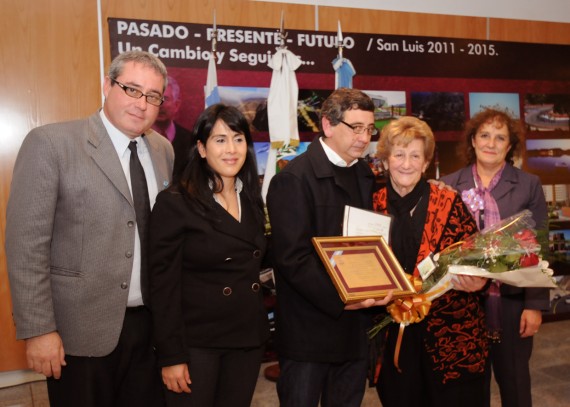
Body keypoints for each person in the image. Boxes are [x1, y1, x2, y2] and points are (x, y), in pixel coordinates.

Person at [5, 50, 174, 406]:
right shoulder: (52, 144)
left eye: (153, 96)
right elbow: (26, 245)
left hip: (149, 328)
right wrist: (39, 330)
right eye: (131, 89)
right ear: (106, 85)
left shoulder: (163, 150)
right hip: (79, 333)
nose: (142, 104)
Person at [266, 88, 393, 407]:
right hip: (309, 334)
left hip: (353, 330)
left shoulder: (364, 173)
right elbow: (292, 259)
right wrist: (342, 297)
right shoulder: (293, 178)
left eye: (369, 129)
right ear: (327, 125)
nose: (365, 139)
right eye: (356, 128)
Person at [148, 104, 269, 407]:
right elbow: (162, 287)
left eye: (238, 139)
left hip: (247, 339)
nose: (231, 149)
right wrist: (171, 355)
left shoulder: (252, 198)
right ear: (201, 149)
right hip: (197, 344)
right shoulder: (175, 203)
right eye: (220, 140)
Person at [373, 116, 488, 407]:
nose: (407, 164)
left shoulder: (449, 201)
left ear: (426, 163)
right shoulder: (371, 204)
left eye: (415, 155)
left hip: (451, 336)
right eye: (399, 154)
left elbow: (478, 261)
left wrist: (478, 282)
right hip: (395, 336)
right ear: (386, 160)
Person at [440, 108, 549, 407]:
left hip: (512, 305)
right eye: (484, 135)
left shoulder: (528, 185)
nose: (491, 143)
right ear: (472, 141)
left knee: (515, 385)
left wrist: (535, 305)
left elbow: (538, 246)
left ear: (510, 145)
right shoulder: (449, 184)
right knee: (469, 390)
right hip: (460, 305)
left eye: (500, 137)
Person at [152, 75, 193, 180]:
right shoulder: (137, 137)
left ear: (177, 105)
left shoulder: (190, 141)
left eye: (165, 99)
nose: (161, 104)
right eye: (156, 98)